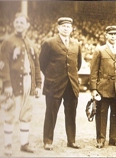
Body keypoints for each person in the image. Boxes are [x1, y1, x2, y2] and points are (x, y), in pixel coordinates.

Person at [0, 12, 42, 156]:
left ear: (27, 26)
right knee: (10, 112)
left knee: (26, 113)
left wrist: (38, 85)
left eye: (22, 23)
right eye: (17, 22)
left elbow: (36, 65)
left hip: (29, 81)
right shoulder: (8, 42)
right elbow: (2, 65)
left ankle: (24, 144)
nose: (19, 25)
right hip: (14, 82)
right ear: (13, 24)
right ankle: (8, 145)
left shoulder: (31, 43)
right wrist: (7, 84)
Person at [39, 17, 82, 150]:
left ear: (71, 29)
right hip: (54, 85)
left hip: (71, 85)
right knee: (51, 113)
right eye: (63, 26)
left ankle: (71, 140)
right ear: (58, 28)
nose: (65, 28)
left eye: (68, 26)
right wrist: (53, 77)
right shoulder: (49, 43)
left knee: (71, 114)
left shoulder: (76, 44)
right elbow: (42, 64)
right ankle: (48, 140)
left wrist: (70, 77)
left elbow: (78, 64)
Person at [89, 26, 116, 148]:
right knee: (101, 114)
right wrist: (93, 89)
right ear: (106, 35)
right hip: (103, 89)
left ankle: (114, 138)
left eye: (115, 34)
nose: (113, 36)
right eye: (110, 34)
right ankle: (101, 139)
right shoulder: (100, 50)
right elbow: (93, 72)